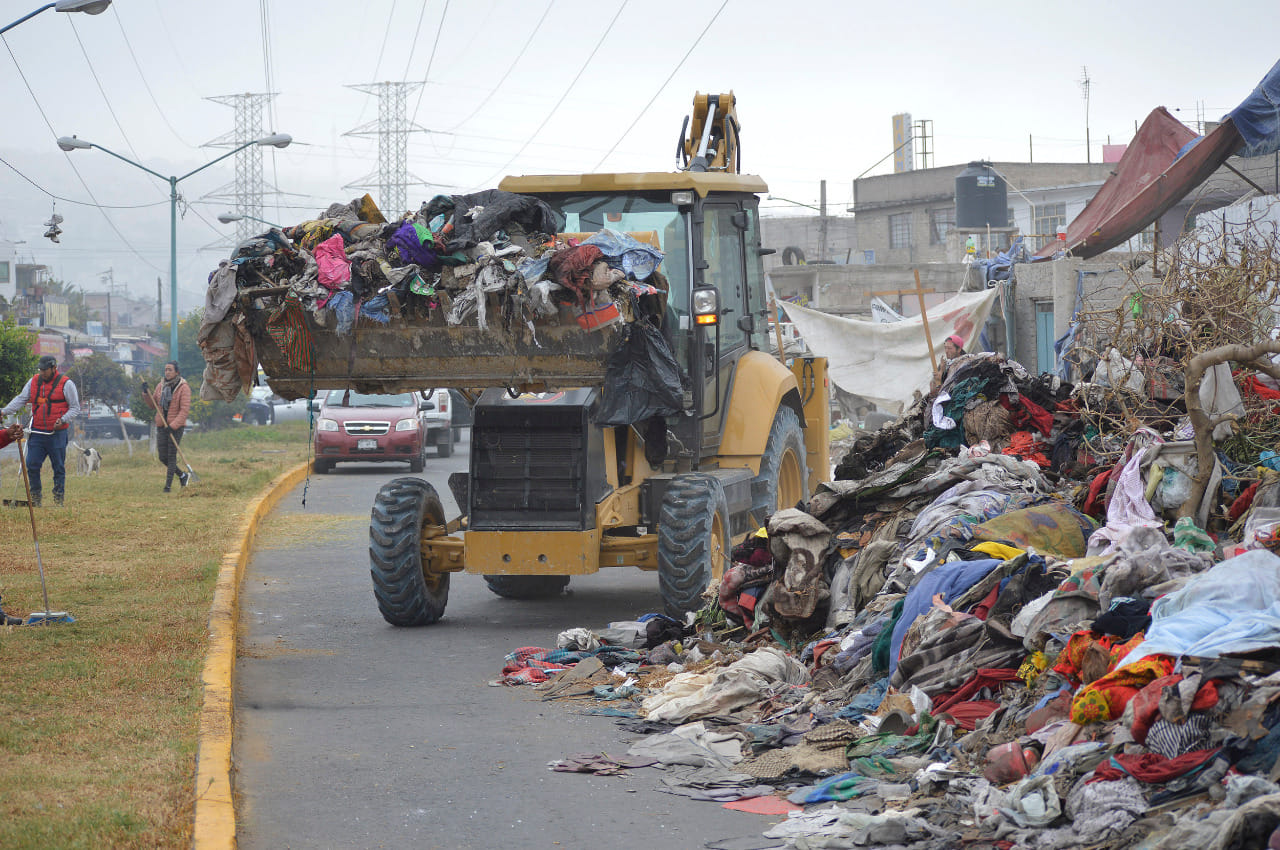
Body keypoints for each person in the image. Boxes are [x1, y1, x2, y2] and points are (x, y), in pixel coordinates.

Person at [1, 356, 81, 506]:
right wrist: (4, 411)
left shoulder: (66, 384)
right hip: (37, 432)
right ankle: (36, 499)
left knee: (58, 467)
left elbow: (75, 408)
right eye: (41, 370)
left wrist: (63, 420)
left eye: (45, 370)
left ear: (53, 368)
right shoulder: (34, 382)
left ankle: (58, 500)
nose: (42, 372)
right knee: (32, 464)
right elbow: (21, 399)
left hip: (56, 433)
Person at [143, 361, 192, 492]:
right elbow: (152, 404)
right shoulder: (161, 386)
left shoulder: (183, 387)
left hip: (175, 427)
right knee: (162, 457)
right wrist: (145, 393)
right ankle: (182, 475)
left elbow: (184, 411)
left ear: (177, 372)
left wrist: (174, 425)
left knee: (171, 456)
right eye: (165, 370)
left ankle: (168, 486)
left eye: (170, 370)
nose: (167, 372)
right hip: (162, 426)